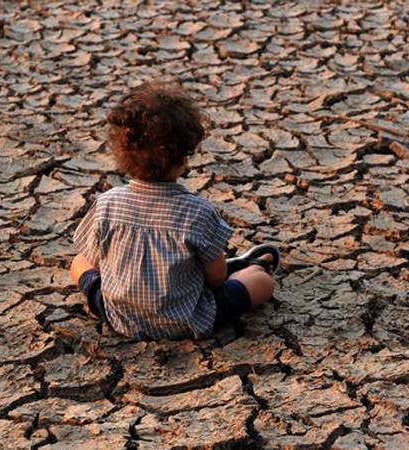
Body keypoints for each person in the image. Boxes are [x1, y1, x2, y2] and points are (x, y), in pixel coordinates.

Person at [68, 81, 278, 340]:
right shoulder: (197, 212)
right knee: (261, 282)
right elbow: (217, 279)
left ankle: (244, 266)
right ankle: (249, 266)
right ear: (183, 156)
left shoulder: (107, 204)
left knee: (78, 262)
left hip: (118, 316)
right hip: (186, 320)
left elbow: (96, 260)